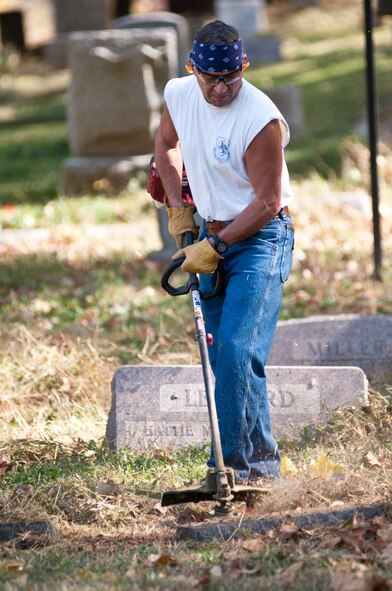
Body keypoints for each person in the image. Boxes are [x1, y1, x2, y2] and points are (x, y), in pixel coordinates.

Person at [154, 20, 295, 484]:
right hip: (210, 234)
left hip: (260, 238)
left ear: (244, 67)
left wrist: (215, 245)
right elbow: (166, 145)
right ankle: (262, 467)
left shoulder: (261, 119)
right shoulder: (179, 93)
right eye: (210, 79)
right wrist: (178, 210)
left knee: (237, 351)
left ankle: (230, 468)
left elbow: (268, 202)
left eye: (230, 78)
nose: (220, 89)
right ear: (193, 69)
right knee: (226, 358)